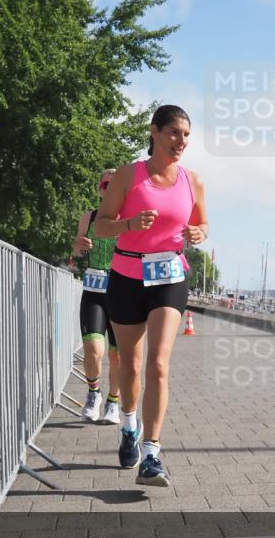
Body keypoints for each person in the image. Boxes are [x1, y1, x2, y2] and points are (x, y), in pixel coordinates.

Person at [95, 105, 208, 487]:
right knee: (130, 364)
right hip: (127, 275)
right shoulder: (129, 176)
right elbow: (100, 227)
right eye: (175, 133)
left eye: (187, 135)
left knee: (158, 364)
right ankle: (128, 424)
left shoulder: (193, 181)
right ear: (155, 132)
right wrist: (128, 223)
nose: (182, 142)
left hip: (169, 277)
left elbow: (202, 222)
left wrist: (199, 233)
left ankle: (151, 454)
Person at [73, 169, 122, 424]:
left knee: (118, 355)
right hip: (93, 289)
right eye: (105, 185)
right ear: (99, 189)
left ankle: (114, 402)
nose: (109, 189)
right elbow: (76, 249)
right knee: (93, 350)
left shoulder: (129, 218)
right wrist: (80, 246)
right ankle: (94, 393)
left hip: (121, 292)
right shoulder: (89, 217)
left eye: (114, 186)